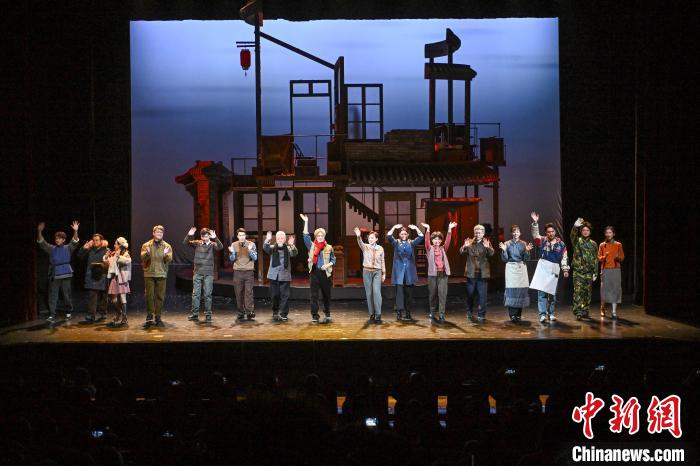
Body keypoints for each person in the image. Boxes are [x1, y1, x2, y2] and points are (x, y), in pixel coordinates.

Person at [36, 220, 80, 322]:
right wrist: (39, 231)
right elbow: (42, 242)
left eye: (59, 238)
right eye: (56, 238)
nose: (57, 240)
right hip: (55, 273)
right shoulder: (52, 248)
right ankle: (52, 314)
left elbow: (75, 241)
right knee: (53, 295)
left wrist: (75, 231)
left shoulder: (68, 248)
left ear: (64, 240)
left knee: (66, 294)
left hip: (66, 273)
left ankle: (68, 311)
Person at [530, 212, 570, 323]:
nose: (550, 233)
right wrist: (535, 223)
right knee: (542, 293)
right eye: (548, 232)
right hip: (543, 267)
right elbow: (535, 235)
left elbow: (564, 257)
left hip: (554, 267)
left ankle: (551, 313)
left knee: (552, 293)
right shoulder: (542, 240)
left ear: (555, 232)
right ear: (546, 233)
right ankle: (542, 315)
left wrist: (565, 269)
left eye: (552, 231)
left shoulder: (561, 244)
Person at [301, 214, 336, 324]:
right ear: (316, 237)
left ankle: (327, 312)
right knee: (314, 296)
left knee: (326, 295)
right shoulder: (312, 246)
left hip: (325, 274)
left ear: (324, 236)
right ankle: (315, 315)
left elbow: (333, 260)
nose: (320, 237)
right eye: (318, 235)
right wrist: (306, 222)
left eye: (322, 235)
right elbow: (305, 236)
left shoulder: (329, 247)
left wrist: (328, 265)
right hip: (315, 273)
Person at [185, 227, 224, 323]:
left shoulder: (212, 244)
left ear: (209, 236)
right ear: (201, 236)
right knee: (196, 294)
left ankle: (208, 315)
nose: (204, 238)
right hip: (197, 272)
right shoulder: (198, 243)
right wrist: (189, 235)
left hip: (208, 273)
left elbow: (220, 247)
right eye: (203, 236)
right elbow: (186, 243)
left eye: (206, 236)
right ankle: (194, 314)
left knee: (207, 295)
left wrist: (215, 238)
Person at [386, 224, 424, 321]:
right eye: (402, 234)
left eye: (405, 234)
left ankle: (408, 312)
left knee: (409, 293)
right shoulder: (396, 243)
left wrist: (416, 228)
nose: (403, 235)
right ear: (399, 234)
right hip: (399, 272)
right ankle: (399, 312)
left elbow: (421, 237)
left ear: (407, 235)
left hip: (409, 272)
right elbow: (389, 236)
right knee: (399, 293)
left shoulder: (411, 243)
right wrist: (394, 227)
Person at [422, 221, 457, 323]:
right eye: (435, 239)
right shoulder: (429, 248)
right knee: (432, 294)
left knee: (442, 295)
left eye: (439, 239)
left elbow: (448, 241)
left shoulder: (443, 249)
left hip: (443, 275)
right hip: (432, 275)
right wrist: (428, 229)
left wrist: (449, 229)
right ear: (432, 240)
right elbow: (426, 241)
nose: (437, 241)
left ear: (441, 241)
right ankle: (432, 312)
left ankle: (441, 314)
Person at [459, 224, 495, 322]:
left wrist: (488, 248)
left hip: (482, 274)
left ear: (483, 234)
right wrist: (464, 246)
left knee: (482, 296)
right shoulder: (470, 242)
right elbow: (461, 252)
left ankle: (481, 314)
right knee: (470, 294)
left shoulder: (486, 243)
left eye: (479, 233)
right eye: (476, 232)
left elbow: (492, 253)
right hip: (471, 273)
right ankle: (469, 312)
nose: (477, 234)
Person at [499, 225, 533, 322]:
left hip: (521, 268)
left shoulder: (523, 244)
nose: (515, 233)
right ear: (511, 233)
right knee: (511, 291)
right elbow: (504, 259)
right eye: (514, 232)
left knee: (520, 291)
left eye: (517, 231)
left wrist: (527, 251)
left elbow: (526, 259)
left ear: (520, 233)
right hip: (511, 268)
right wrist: (504, 250)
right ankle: (512, 315)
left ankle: (518, 314)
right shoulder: (507, 243)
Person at [140, 225, 173, 327]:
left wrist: (166, 254)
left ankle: (158, 316)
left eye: (161, 232)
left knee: (160, 296)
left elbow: (169, 260)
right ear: (153, 233)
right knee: (149, 296)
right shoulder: (146, 245)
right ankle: (150, 315)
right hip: (149, 273)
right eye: (158, 232)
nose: (159, 234)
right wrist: (147, 253)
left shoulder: (167, 246)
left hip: (161, 273)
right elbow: (143, 258)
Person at [263, 230, 298, 322]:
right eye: (278, 238)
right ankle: (275, 311)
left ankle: (284, 314)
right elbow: (265, 248)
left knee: (285, 296)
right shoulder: (272, 248)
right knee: (275, 295)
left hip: (285, 275)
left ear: (285, 239)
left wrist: (292, 245)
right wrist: (267, 239)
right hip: (273, 275)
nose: (280, 239)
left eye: (282, 238)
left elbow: (294, 253)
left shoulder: (288, 248)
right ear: (276, 239)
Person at [354, 227, 386, 324]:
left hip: (377, 272)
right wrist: (358, 236)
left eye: (372, 238)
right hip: (367, 272)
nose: (370, 239)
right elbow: (360, 243)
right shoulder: (365, 247)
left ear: (376, 239)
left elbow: (382, 261)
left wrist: (384, 273)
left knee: (376, 292)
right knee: (369, 293)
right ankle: (372, 313)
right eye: (369, 238)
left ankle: (378, 314)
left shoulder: (380, 248)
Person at [77, 233, 109, 322]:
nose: (95, 242)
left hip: (102, 276)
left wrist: (103, 264)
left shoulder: (106, 250)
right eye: (94, 240)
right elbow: (80, 257)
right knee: (92, 297)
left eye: (97, 240)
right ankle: (91, 315)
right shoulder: (90, 250)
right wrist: (84, 248)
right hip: (91, 276)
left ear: (101, 241)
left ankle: (103, 314)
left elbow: (109, 263)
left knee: (103, 297)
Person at [570, 217, 598, 320]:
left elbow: (595, 259)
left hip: (589, 273)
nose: (585, 232)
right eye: (583, 230)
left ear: (590, 232)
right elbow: (572, 235)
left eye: (587, 230)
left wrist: (595, 272)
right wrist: (575, 227)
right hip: (578, 272)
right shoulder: (577, 241)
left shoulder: (593, 244)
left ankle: (585, 311)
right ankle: (578, 312)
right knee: (578, 293)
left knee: (587, 293)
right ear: (581, 231)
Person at [228, 228, 258, 321]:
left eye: (243, 235)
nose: (241, 237)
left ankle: (250, 312)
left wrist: (250, 250)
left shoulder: (251, 244)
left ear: (245, 236)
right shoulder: (234, 245)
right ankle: (241, 312)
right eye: (240, 235)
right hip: (238, 272)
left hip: (249, 271)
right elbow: (231, 259)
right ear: (237, 236)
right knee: (238, 293)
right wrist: (232, 252)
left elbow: (255, 258)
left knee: (249, 293)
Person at [104, 237, 132, 327]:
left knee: (122, 298)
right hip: (115, 278)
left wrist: (118, 256)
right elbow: (108, 263)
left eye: (116, 244)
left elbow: (127, 261)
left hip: (122, 278)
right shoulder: (114, 253)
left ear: (120, 245)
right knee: (113, 299)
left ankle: (124, 317)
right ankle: (119, 312)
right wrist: (106, 256)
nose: (114, 245)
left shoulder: (126, 254)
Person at [598, 226, 625, 319]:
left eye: (610, 233)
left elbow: (622, 257)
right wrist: (604, 257)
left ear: (613, 234)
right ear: (605, 234)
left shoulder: (618, 244)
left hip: (615, 269)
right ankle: (602, 308)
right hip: (605, 269)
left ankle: (614, 312)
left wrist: (618, 258)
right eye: (607, 233)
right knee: (604, 290)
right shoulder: (602, 245)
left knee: (615, 290)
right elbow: (599, 258)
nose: (608, 234)